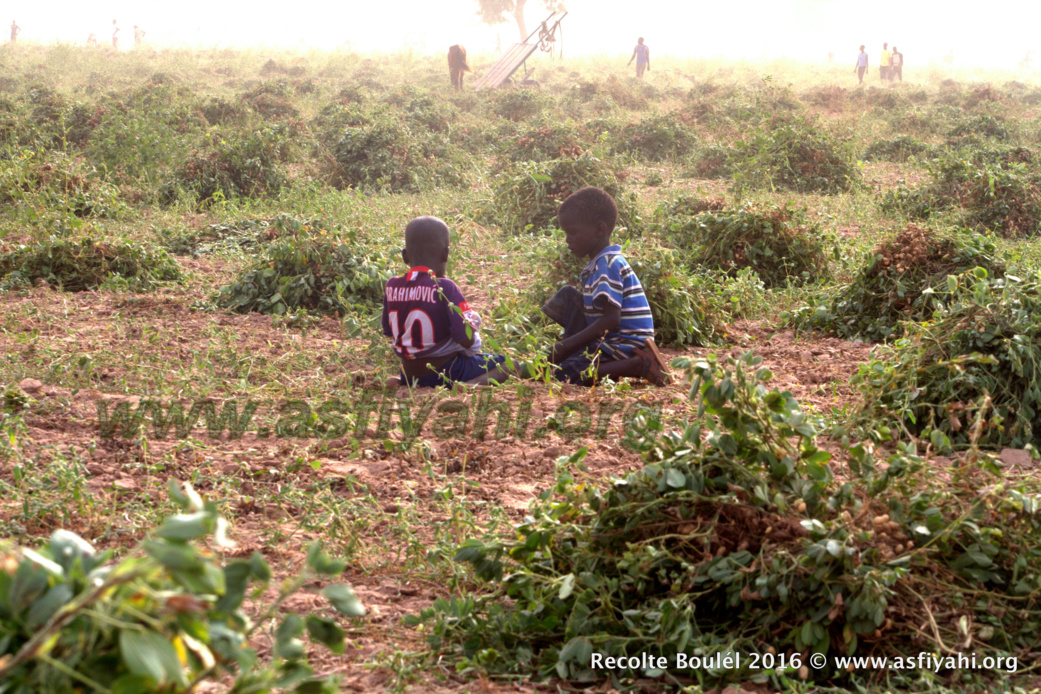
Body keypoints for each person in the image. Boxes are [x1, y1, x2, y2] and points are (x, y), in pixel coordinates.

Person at [541, 187, 668, 386]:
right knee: (568, 296)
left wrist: (564, 346)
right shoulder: (599, 262)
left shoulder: (607, 264)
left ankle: (636, 365)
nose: (567, 239)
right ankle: (576, 355)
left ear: (599, 229)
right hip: (613, 339)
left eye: (572, 232)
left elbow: (611, 320)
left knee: (562, 375)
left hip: (625, 344)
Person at [382, 217, 505, 388]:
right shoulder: (445, 287)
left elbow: (389, 331)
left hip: (408, 372)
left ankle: (400, 380)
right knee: (509, 365)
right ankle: (469, 385)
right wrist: (474, 324)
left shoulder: (392, 285)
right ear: (446, 254)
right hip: (446, 371)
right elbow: (466, 340)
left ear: (405, 256)